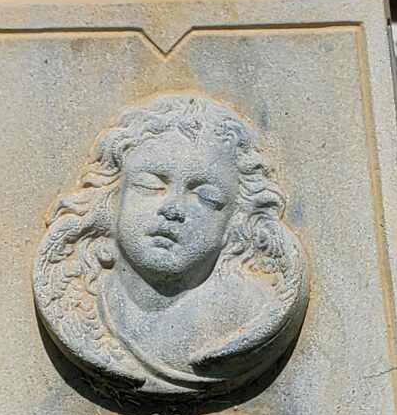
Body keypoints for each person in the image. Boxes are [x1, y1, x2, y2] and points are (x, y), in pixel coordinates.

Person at [33, 90, 309, 398]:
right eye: (151, 184)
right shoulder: (76, 301)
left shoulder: (248, 312)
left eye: (206, 197)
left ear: (234, 223)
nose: (173, 209)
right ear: (112, 199)